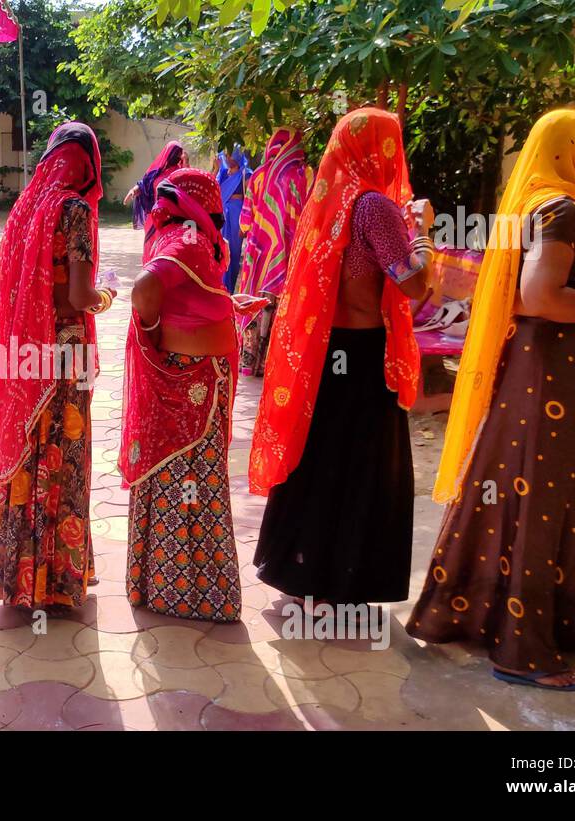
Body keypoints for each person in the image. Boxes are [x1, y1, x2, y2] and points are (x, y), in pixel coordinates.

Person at [412, 109, 575, 691]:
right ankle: (522, 650)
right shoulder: (558, 207)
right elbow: (537, 295)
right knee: (543, 498)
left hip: (539, 375)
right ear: (573, 149)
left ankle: (480, 613)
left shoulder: (534, 202)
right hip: (551, 380)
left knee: (517, 488)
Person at [250, 108, 432, 611]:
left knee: (322, 458)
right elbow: (415, 284)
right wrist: (424, 233)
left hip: (331, 353)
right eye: (391, 143)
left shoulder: (330, 199)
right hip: (364, 355)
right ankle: (340, 582)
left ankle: (302, 570)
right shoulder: (373, 206)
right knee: (364, 467)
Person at [0, 122, 115, 612]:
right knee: (66, 457)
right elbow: (80, 295)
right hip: (66, 351)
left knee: (30, 450)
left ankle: (21, 577)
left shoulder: (25, 209)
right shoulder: (75, 210)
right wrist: (107, 296)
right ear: (88, 163)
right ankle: (58, 579)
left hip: (26, 356)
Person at [121, 168, 263, 622]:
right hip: (192, 382)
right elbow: (144, 289)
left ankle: (161, 587)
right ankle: (192, 593)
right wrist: (157, 339)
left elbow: (183, 296)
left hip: (191, 377)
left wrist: (226, 304)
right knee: (192, 481)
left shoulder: (178, 235)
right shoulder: (189, 238)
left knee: (176, 478)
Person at [236, 127, 310, 375]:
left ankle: (248, 361)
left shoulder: (258, 175)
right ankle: (270, 362)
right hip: (288, 253)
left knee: (254, 301)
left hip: (257, 253)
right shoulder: (303, 175)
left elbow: (245, 221)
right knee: (278, 305)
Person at [122, 140, 187, 258]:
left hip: (173, 220)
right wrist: (133, 191)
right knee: (150, 249)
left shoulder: (181, 173)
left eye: (179, 153)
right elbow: (144, 184)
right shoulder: (156, 173)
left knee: (167, 252)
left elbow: (188, 186)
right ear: (168, 153)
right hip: (154, 218)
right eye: (175, 153)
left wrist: (186, 163)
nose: (177, 156)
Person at [216, 145, 250, 292]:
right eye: (227, 155)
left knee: (234, 252)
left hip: (237, 216)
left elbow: (250, 199)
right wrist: (216, 168)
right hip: (222, 216)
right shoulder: (223, 173)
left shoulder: (246, 174)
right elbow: (214, 189)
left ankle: (229, 287)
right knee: (219, 249)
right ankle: (220, 286)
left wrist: (246, 224)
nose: (228, 158)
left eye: (231, 155)